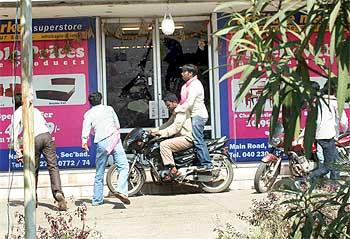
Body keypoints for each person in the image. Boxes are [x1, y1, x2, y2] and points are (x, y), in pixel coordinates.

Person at [12, 93, 67, 211]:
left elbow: (14, 134)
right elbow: (44, 124)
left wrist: (18, 152)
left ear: (15, 104)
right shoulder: (35, 110)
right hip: (47, 136)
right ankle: (58, 193)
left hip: (33, 139)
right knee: (53, 166)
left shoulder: (17, 113)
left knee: (33, 170)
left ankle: (33, 199)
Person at [81, 92, 130, 205]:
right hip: (114, 140)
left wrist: (84, 142)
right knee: (123, 166)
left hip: (101, 143)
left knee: (99, 172)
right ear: (101, 99)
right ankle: (121, 190)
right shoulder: (109, 109)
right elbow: (117, 125)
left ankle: (97, 200)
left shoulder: (89, 113)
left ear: (90, 102)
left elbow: (86, 129)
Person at [175, 64, 212, 169]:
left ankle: (207, 164)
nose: (182, 74)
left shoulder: (195, 85)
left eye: (184, 72)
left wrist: (178, 110)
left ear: (190, 74)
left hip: (198, 115)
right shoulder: (186, 86)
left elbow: (189, 102)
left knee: (197, 139)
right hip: (192, 115)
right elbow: (183, 102)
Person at [309, 83, 348, 181]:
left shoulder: (317, 101)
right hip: (328, 136)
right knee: (328, 166)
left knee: (336, 162)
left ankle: (334, 184)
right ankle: (309, 178)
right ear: (335, 92)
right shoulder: (334, 102)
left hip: (319, 135)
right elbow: (343, 120)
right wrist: (344, 130)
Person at [150, 93, 193, 181]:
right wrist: (153, 130)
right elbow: (167, 125)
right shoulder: (175, 113)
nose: (167, 107)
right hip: (181, 138)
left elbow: (175, 128)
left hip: (187, 138)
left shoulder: (181, 112)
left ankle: (173, 170)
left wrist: (160, 133)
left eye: (168, 105)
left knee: (164, 145)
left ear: (174, 102)